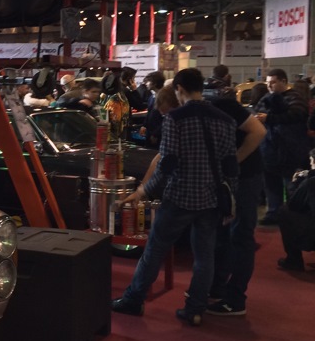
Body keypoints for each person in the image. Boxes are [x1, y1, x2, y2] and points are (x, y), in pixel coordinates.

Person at [111, 68, 238, 326]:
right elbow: (230, 166)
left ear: (179, 89)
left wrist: (142, 191)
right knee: (204, 256)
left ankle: (134, 299)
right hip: (211, 198)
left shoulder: (175, 119)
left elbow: (167, 164)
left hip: (179, 196)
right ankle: (195, 309)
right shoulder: (225, 120)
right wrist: (229, 196)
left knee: (154, 250)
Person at [206, 89, 267, 315]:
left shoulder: (222, 105)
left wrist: (235, 161)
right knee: (225, 233)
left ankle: (235, 299)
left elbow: (258, 131)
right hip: (234, 179)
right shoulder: (206, 109)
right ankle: (218, 287)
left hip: (246, 177)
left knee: (240, 235)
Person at [255, 68, 310, 225]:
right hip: (269, 151)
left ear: (283, 81)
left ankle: (293, 216)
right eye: (268, 83)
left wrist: (269, 118)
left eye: (273, 82)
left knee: (291, 185)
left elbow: (296, 115)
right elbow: (257, 113)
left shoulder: (295, 97)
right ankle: (274, 213)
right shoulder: (265, 98)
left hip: (290, 151)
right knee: (271, 186)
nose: (269, 86)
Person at [275, 149, 315, 271]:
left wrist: (293, 183)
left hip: (311, 234)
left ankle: (294, 260)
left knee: (284, 212)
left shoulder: (310, 182)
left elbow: (293, 204)